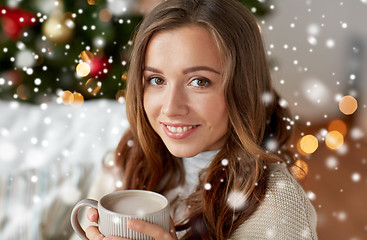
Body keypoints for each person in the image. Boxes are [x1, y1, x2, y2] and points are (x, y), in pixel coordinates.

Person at [79, 0, 318, 239]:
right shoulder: (130, 159)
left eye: (199, 81)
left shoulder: (278, 210)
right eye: (156, 80)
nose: (171, 108)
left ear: (243, 88)